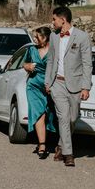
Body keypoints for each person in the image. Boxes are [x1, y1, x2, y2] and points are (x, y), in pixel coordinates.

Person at [45, 6, 93, 167]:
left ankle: (60, 145)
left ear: (63, 19)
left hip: (76, 85)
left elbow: (87, 64)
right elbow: (50, 60)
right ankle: (68, 154)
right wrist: (47, 82)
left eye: (54, 19)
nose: (52, 23)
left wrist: (86, 87)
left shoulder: (82, 37)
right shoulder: (53, 37)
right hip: (57, 83)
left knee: (72, 119)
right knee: (63, 117)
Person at [23, 26, 56, 159]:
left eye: (37, 37)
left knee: (52, 115)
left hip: (51, 86)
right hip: (34, 86)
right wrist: (28, 67)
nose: (35, 39)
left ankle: (56, 142)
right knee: (39, 113)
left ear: (45, 37)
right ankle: (42, 145)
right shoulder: (31, 49)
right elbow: (24, 64)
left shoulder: (55, 52)